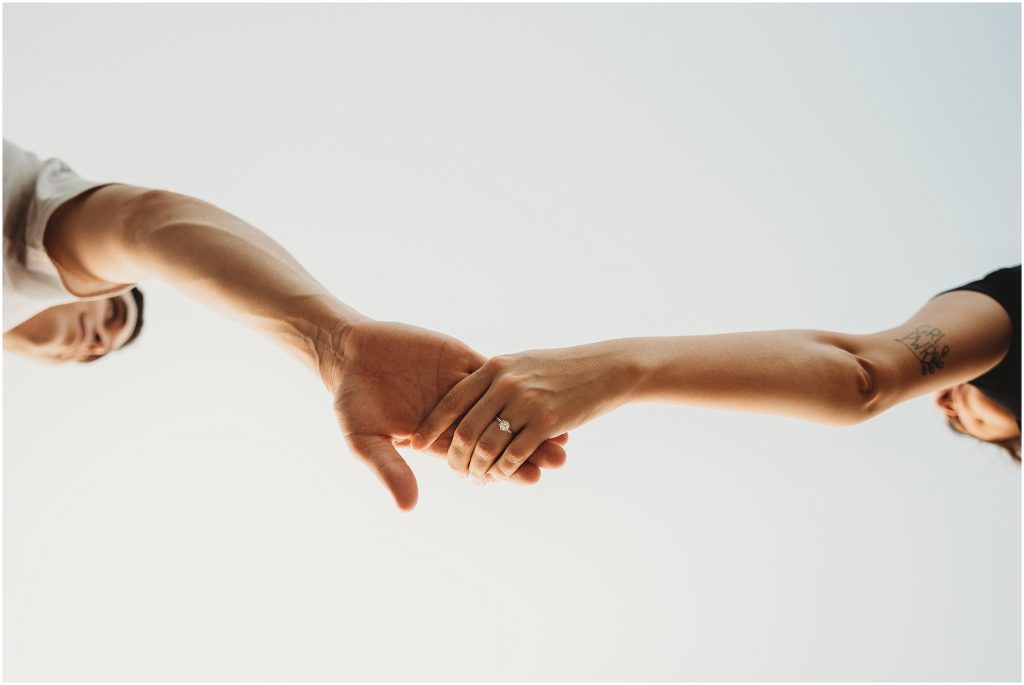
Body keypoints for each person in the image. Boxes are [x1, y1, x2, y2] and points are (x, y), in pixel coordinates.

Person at [2, 139, 566, 508]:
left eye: (99, 351)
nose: (98, 341)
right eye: (113, 311)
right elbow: (142, 226)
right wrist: (332, 341)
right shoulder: (24, 230)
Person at [412, 266, 1021, 482]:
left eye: (962, 404)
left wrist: (617, 371)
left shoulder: (1006, 311)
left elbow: (866, 374)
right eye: (964, 418)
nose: (943, 401)